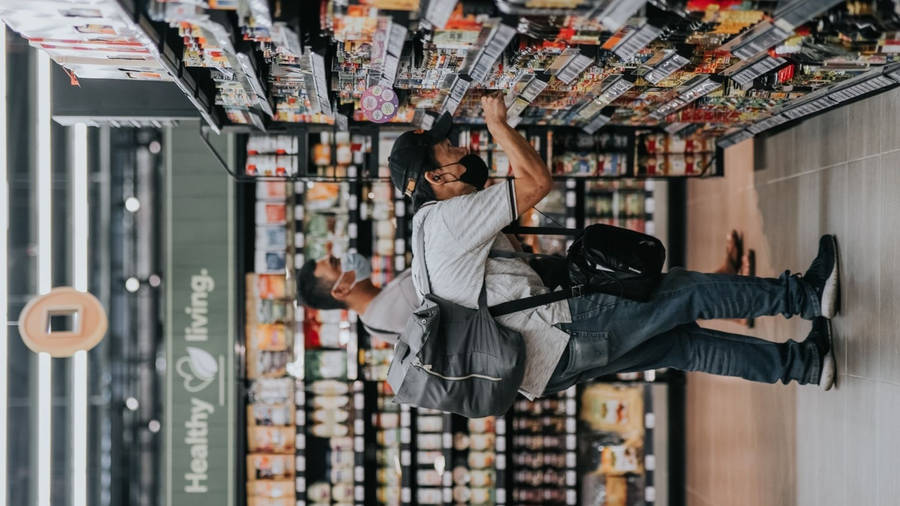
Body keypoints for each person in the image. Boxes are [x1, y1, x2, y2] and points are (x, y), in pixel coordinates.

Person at [387, 94, 840, 402]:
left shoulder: (427, 231)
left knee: (682, 346)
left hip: (542, 369)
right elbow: (536, 183)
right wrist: (498, 125)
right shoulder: (446, 221)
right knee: (684, 292)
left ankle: (806, 364)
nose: (460, 148)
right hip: (559, 332)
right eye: (448, 149)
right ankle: (806, 295)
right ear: (436, 177)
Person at [296, 251, 418, 343]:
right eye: (336, 263)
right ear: (341, 290)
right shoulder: (400, 299)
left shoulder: (371, 324)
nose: (345, 258)